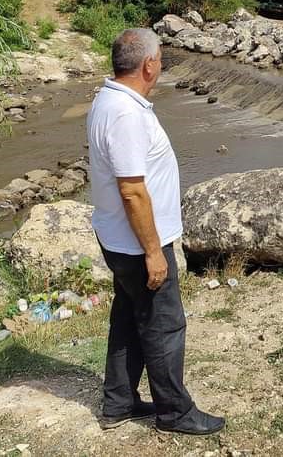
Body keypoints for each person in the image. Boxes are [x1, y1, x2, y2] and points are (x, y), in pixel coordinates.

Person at [87, 28, 225, 435]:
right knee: (164, 324)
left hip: (118, 237)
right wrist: (153, 251)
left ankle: (119, 402)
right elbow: (132, 191)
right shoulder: (126, 114)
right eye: (160, 59)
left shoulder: (109, 99)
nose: (161, 65)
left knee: (129, 318)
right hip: (137, 243)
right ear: (148, 65)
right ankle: (174, 412)